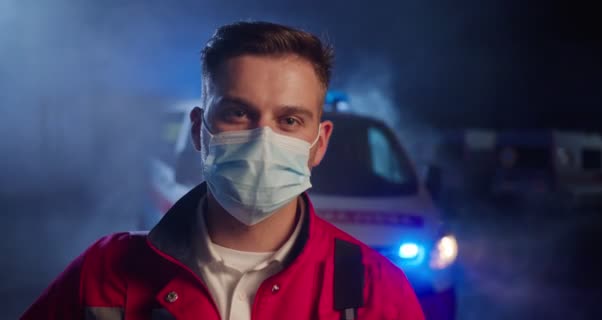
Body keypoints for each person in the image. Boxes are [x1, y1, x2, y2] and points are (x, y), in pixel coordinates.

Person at [22, 21, 424, 320]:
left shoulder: (378, 291)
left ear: (319, 142)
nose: (262, 140)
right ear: (200, 130)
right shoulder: (104, 274)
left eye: (289, 121)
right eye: (238, 112)